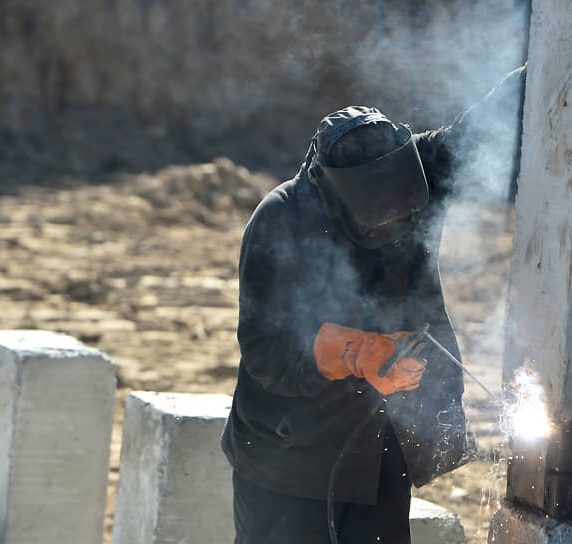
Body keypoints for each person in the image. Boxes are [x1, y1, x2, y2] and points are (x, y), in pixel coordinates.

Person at [221, 64, 526, 544]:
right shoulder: (280, 221)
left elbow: (485, 125)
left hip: (381, 446)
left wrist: (549, 64)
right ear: (330, 190)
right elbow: (267, 350)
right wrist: (363, 353)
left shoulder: (417, 169)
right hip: (288, 461)